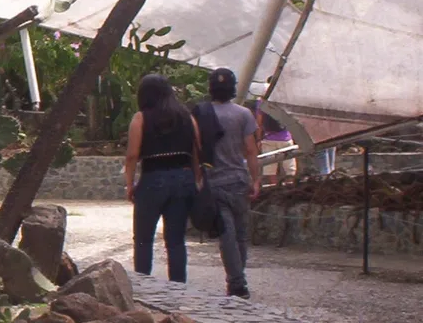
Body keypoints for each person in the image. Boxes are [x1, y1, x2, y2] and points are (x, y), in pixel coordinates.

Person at [123, 73, 201, 283]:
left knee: (143, 238)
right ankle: (177, 285)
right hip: (183, 179)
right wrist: (197, 180)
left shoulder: (141, 118)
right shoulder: (187, 117)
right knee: (176, 240)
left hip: (153, 179)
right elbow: (196, 152)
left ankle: (143, 284)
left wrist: (130, 184)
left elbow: (132, 155)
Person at [195, 68, 261, 298]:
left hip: (214, 182)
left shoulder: (201, 113)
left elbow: (196, 149)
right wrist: (256, 179)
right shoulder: (244, 114)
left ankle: (236, 281)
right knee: (241, 234)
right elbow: (251, 151)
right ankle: (237, 279)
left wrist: (198, 179)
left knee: (226, 234)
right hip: (239, 180)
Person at [256, 98, 295, 185]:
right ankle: (291, 188)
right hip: (286, 138)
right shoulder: (286, 97)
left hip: (268, 139)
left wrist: (258, 139)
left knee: (270, 170)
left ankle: (274, 189)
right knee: (290, 170)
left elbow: (259, 123)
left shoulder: (261, 101)